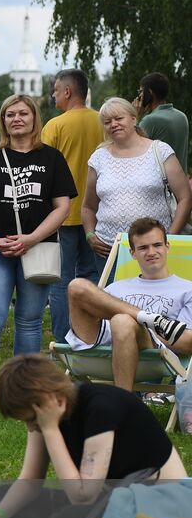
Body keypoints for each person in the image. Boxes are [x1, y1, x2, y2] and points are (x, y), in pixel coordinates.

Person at [0, 354, 188, 518]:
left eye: (31, 419)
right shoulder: (46, 413)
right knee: (1, 496)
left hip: (157, 507)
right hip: (110, 499)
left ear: (51, 400)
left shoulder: (101, 408)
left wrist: (50, 430)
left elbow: (83, 497)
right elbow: (31, 480)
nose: (31, 428)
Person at [0, 94, 77, 402]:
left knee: (29, 319)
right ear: (2, 121)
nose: (16, 118)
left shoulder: (51, 158)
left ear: (33, 118)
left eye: (23, 113)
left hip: (38, 249)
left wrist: (32, 238)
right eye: (9, 114)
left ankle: (23, 388)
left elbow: (62, 207)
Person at [64, 218, 192, 390]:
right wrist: (146, 319)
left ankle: (123, 404)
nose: (151, 252)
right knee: (76, 286)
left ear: (167, 247)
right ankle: (148, 318)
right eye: (143, 247)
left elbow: (187, 343)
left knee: (122, 321)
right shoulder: (116, 287)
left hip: (154, 355)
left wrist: (139, 326)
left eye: (157, 245)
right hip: (100, 348)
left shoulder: (187, 289)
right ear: (132, 253)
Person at [41, 68, 107, 342]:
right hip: (98, 214)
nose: (54, 95)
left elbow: (42, 171)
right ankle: (91, 335)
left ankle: (62, 337)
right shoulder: (103, 121)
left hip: (63, 214)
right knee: (92, 277)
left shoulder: (55, 126)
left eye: (56, 90)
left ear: (67, 92)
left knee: (61, 279)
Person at [83, 97, 191, 261]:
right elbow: (88, 206)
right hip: (108, 251)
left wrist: (170, 237)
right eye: (107, 122)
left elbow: (185, 198)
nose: (113, 124)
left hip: (154, 251)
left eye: (119, 118)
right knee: (110, 288)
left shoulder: (159, 150)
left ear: (134, 118)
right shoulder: (98, 158)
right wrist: (90, 234)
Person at [134, 71, 188, 173]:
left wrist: (134, 116)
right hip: (181, 181)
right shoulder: (181, 116)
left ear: (149, 93)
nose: (139, 97)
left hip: (161, 185)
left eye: (141, 92)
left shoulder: (150, 120)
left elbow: (131, 147)